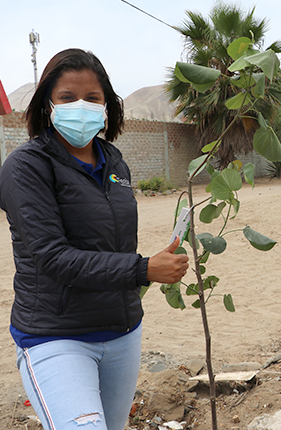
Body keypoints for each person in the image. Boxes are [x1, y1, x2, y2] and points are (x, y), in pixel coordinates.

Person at [0, 49, 189, 430]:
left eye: (92, 98)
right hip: (55, 336)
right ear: (47, 104)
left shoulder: (114, 161)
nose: (80, 106)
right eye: (68, 97)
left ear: (107, 105)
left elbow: (113, 241)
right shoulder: (26, 167)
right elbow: (53, 258)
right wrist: (143, 268)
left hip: (122, 332)